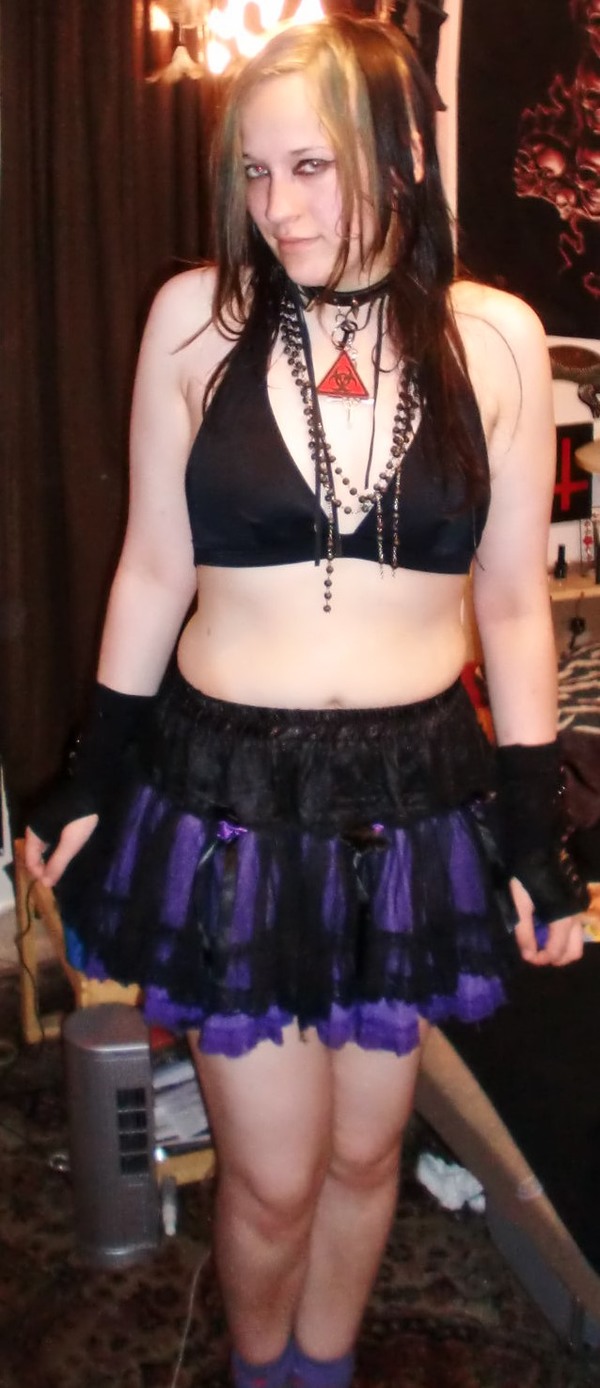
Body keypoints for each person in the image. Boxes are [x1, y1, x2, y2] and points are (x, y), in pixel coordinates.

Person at [25, 16, 589, 1388]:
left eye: (311, 168)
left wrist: (536, 837)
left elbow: (515, 607)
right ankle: (257, 1367)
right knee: (274, 1177)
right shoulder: (195, 319)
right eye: (256, 173)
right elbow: (153, 569)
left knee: (365, 1154)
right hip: (230, 795)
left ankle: (317, 1373)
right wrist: (91, 773)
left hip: (411, 800)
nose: (276, 209)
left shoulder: (500, 340)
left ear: (402, 159)